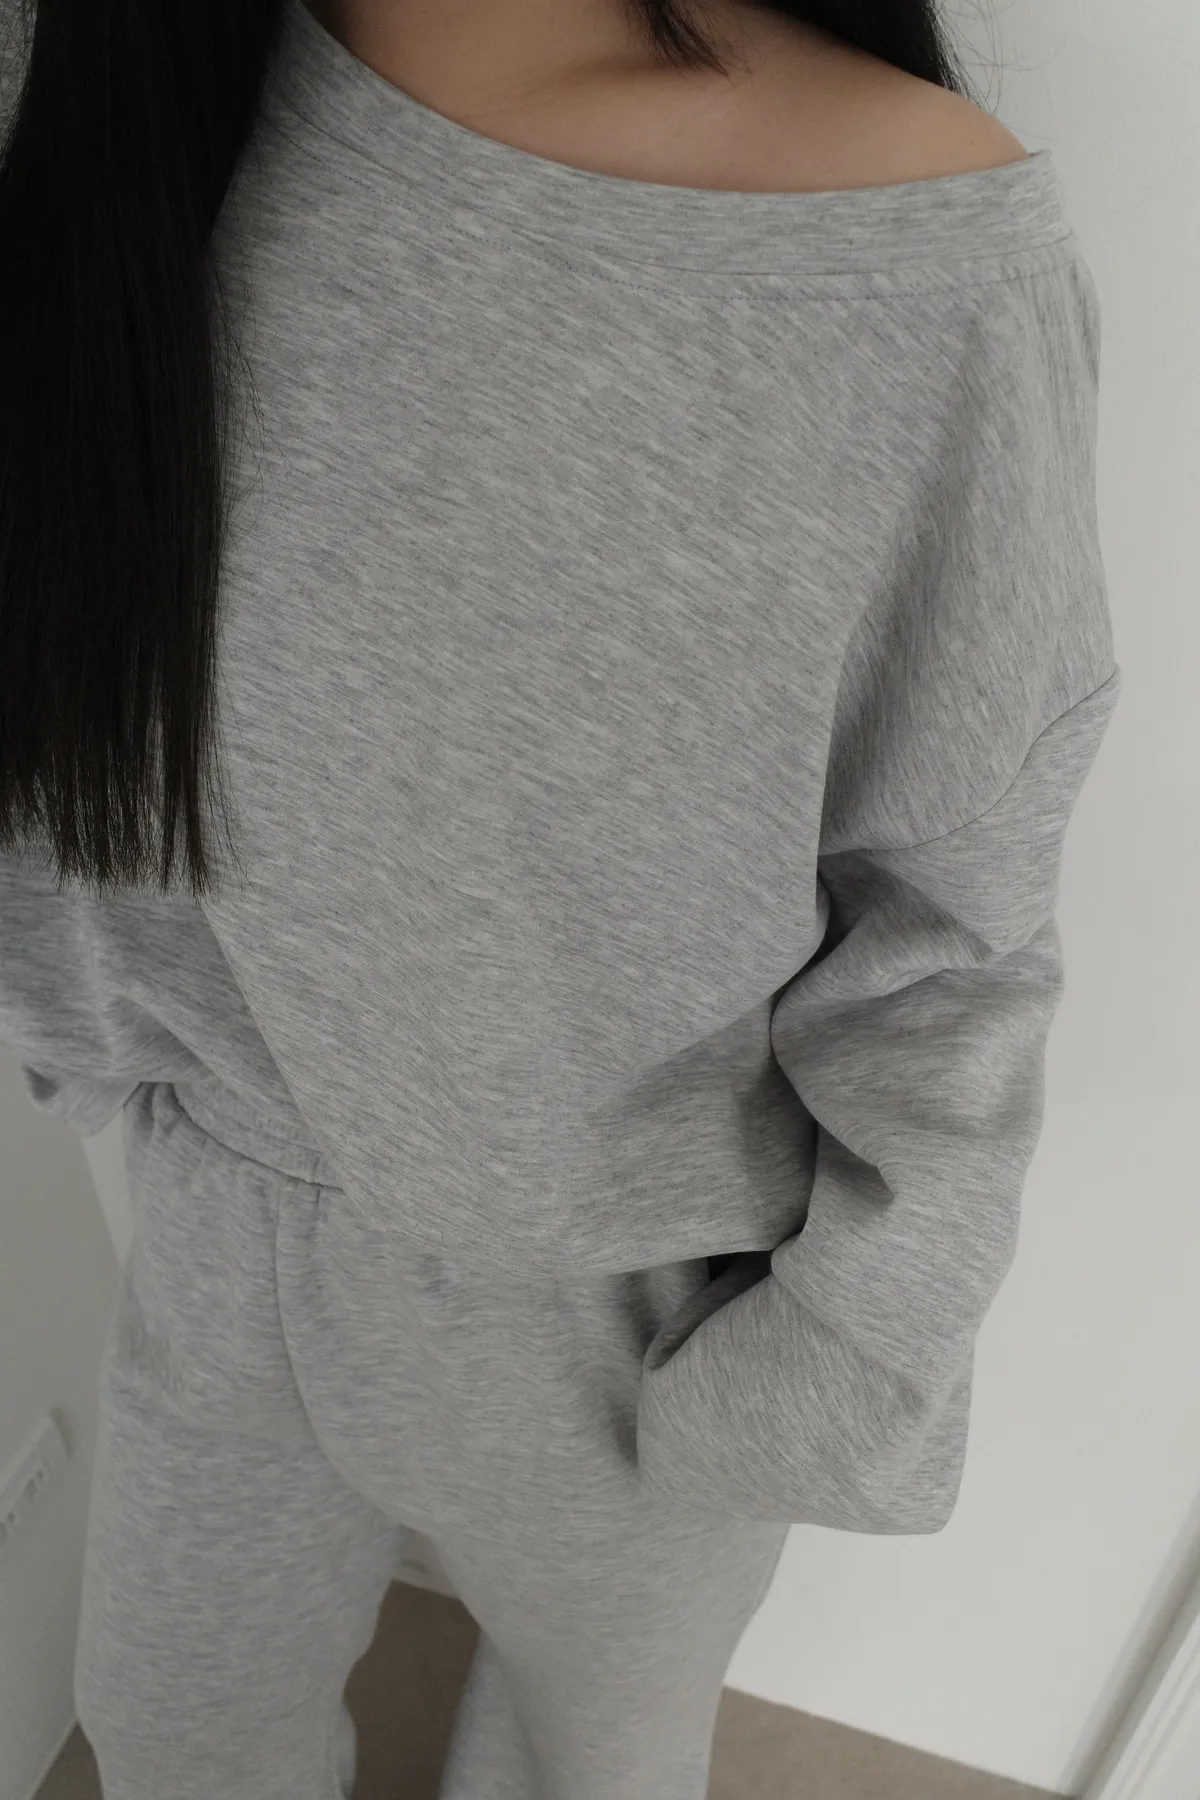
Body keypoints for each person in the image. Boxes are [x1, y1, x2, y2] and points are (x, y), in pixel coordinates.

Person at [0, 0, 1122, 1794]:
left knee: (591, 1765)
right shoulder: (92, 82)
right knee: (171, 1734)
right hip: (223, 1191)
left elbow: (951, 917)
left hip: (628, 1296)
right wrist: (83, 1033)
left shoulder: (900, 250)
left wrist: (835, 1360)